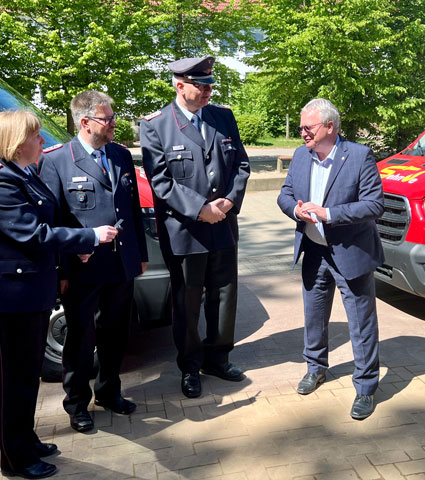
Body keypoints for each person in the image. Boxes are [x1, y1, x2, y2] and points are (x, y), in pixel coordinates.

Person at [0, 110, 117, 479]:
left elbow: (45, 227)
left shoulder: (23, 173)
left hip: (28, 292)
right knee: (13, 380)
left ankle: (26, 440)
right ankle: (15, 460)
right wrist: (90, 237)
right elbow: (32, 234)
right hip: (7, 296)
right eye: (36, 137)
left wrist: (71, 248)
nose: (42, 143)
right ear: (17, 143)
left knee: (27, 376)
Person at [140, 56, 250, 398]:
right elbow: (161, 181)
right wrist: (200, 209)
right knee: (187, 302)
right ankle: (190, 366)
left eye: (210, 86)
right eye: (201, 86)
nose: (207, 92)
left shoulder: (222, 117)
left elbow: (241, 165)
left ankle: (218, 358)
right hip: (186, 229)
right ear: (180, 85)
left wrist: (229, 202)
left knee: (224, 294)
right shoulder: (156, 125)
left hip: (223, 224)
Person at [39, 90, 148, 432]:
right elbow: (53, 222)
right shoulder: (57, 160)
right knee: (81, 338)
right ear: (85, 122)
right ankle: (76, 403)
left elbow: (130, 210)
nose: (114, 123)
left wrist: (140, 255)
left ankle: (109, 391)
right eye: (108, 119)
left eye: (113, 117)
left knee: (116, 333)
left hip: (120, 264)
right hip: (83, 268)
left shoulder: (119, 155)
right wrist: (60, 269)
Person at [277, 98, 384, 420]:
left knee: (361, 322)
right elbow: (284, 194)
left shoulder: (359, 155)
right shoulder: (300, 155)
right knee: (314, 315)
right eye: (301, 127)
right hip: (313, 250)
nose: (302, 133)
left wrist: (329, 214)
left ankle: (366, 387)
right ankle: (316, 367)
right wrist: (295, 209)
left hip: (351, 253)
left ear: (329, 127)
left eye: (307, 128)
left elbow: (374, 205)